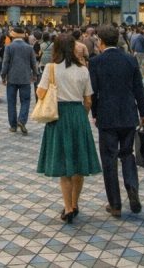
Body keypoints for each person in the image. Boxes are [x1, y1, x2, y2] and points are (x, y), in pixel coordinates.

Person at [36, 34, 100, 223]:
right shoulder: (83, 70)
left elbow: (40, 92)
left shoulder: (51, 68)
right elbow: (88, 99)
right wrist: (82, 114)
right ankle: (75, 202)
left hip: (59, 115)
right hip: (78, 114)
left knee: (64, 166)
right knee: (79, 162)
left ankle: (68, 207)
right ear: (73, 48)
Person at [89, 25, 144, 218]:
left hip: (107, 115)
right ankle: (132, 188)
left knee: (109, 159)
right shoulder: (130, 60)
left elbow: (94, 91)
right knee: (127, 153)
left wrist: (95, 113)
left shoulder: (96, 62)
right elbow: (139, 89)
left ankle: (115, 204)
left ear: (101, 41)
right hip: (128, 114)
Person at [1, 26, 38, 135]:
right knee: (25, 101)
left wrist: (3, 76)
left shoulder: (9, 47)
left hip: (12, 77)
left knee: (11, 101)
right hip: (26, 77)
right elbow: (33, 63)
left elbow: (5, 63)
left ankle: (13, 126)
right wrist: (35, 74)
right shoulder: (29, 47)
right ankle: (21, 120)